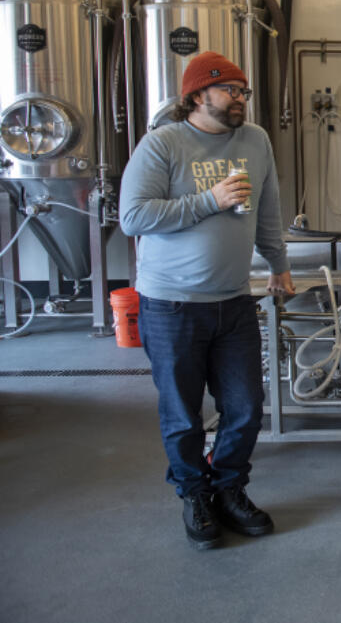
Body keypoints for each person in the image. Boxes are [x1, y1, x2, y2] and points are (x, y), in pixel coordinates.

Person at [119, 51, 294, 551]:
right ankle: (194, 495)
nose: (240, 99)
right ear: (197, 96)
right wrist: (208, 201)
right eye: (230, 90)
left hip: (235, 300)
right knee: (182, 413)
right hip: (171, 305)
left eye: (243, 91)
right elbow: (133, 217)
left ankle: (229, 489)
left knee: (245, 406)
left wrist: (278, 266)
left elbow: (268, 209)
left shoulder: (255, 140)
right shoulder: (163, 145)